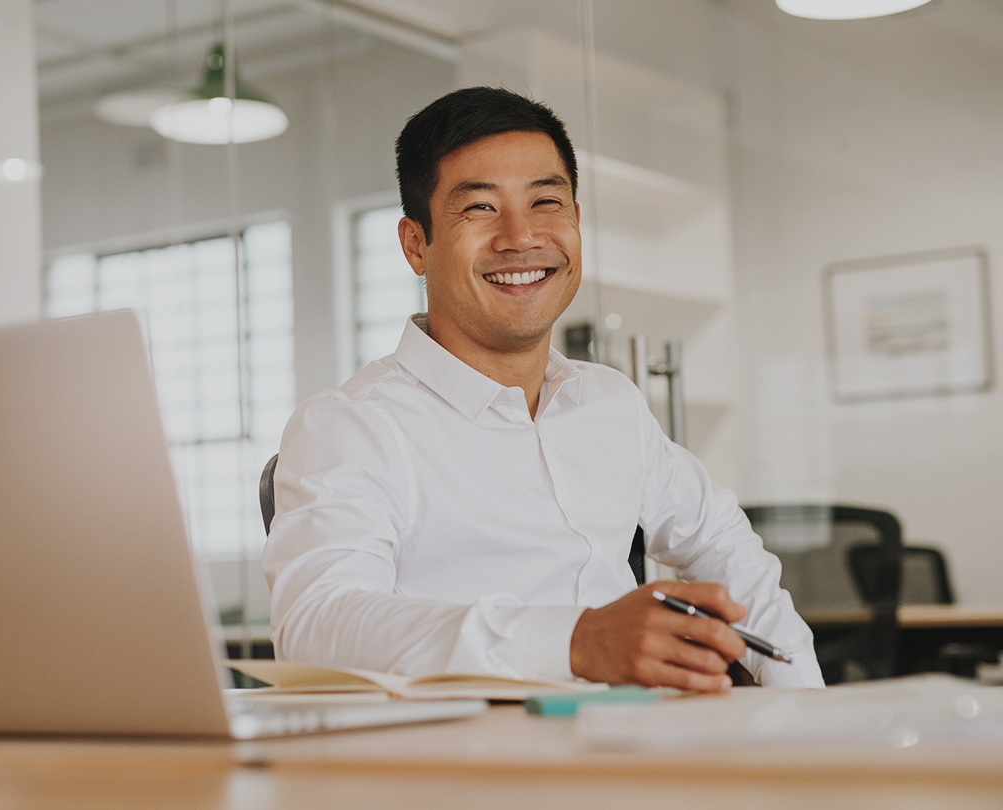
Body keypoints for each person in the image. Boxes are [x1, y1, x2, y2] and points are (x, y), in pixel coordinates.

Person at [262, 87, 824, 691]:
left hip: (638, 753)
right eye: (479, 209)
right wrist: (575, 643)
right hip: (471, 767)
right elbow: (317, 622)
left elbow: (720, 541)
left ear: (576, 222)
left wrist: (806, 704)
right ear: (415, 244)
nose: (520, 236)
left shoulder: (611, 403)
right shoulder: (352, 425)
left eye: (547, 202)